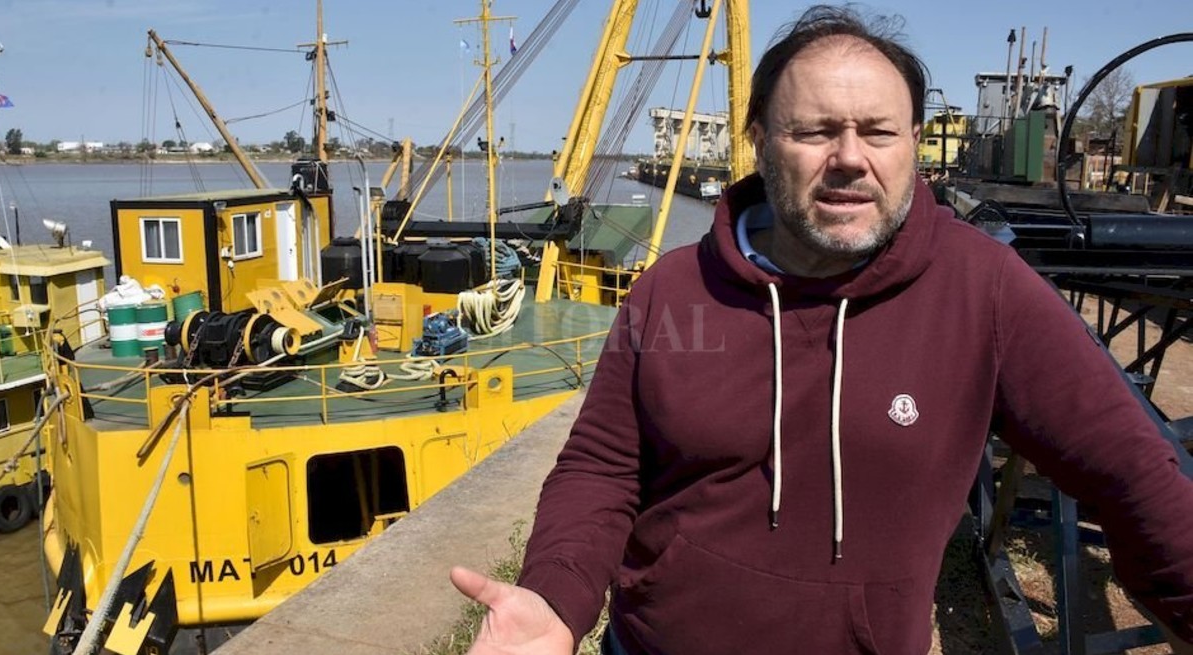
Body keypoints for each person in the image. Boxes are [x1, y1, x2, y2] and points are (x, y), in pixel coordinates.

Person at [451, 5, 1193, 653]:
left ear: (913, 143)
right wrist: (554, 597)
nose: (849, 158)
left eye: (878, 131)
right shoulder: (671, 289)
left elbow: (1132, 473)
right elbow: (602, 467)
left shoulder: (985, 292)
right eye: (814, 131)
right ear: (760, 140)